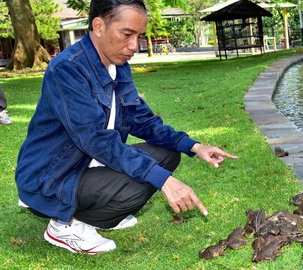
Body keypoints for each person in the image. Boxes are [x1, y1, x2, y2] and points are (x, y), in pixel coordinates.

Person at [15, 0, 237, 254]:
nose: (134, 46)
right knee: (148, 178)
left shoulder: (118, 66)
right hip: (52, 177)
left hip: (88, 165)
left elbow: (141, 120)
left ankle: (96, 216)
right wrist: (164, 181)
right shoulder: (68, 69)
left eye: (139, 36)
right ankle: (64, 226)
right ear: (98, 26)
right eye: (127, 34)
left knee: (167, 155)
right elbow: (96, 140)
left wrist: (195, 146)